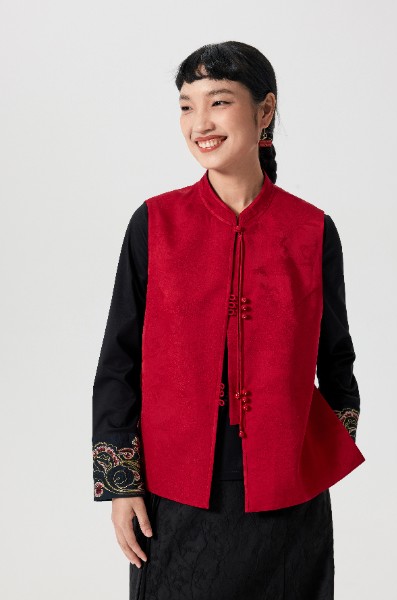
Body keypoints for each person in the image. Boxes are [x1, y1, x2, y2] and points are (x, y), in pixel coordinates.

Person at [92, 41, 365, 599]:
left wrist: (313, 459)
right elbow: (118, 361)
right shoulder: (154, 224)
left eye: (218, 102)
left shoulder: (312, 230)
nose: (200, 123)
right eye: (186, 106)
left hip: (289, 508)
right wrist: (122, 483)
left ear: (265, 111)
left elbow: (337, 358)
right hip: (174, 499)